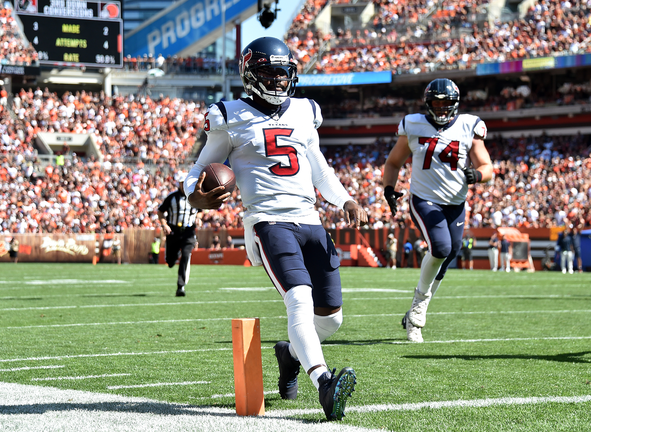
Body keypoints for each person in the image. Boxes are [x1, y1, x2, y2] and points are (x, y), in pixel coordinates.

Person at [184, 37, 366, 421]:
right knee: (299, 299)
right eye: (270, 71)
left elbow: (319, 167)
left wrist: (344, 199)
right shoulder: (228, 116)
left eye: (284, 71)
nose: (280, 79)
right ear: (250, 74)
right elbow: (198, 172)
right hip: (267, 220)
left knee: (330, 318)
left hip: (310, 219)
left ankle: (290, 355)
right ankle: (325, 383)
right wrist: (195, 195)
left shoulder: (304, 111)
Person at [382, 78, 493, 343]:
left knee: (447, 256)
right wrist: (389, 188)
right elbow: (394, 162)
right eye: (436, 103)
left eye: (446, 104)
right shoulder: (414, 124)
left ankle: (412, 312)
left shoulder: (470, 125)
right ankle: (417, 316)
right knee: (440, 248)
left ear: (455, 104)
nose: (442, 109)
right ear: (428, 103)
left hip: (456, 203)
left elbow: (487, 166)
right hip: (424, 199)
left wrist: (477, 175)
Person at [158, 171, 202, 296]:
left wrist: (198, 217)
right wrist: (164, 224)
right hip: (173, 232)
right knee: (170, 261)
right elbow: (160, 211)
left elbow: (201, 210)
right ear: (179, 184)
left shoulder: (195, 196)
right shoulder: (172, 197)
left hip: (189, 231)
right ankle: (173, 255)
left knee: (186, 255)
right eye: (183, 183)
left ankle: (180, 286)